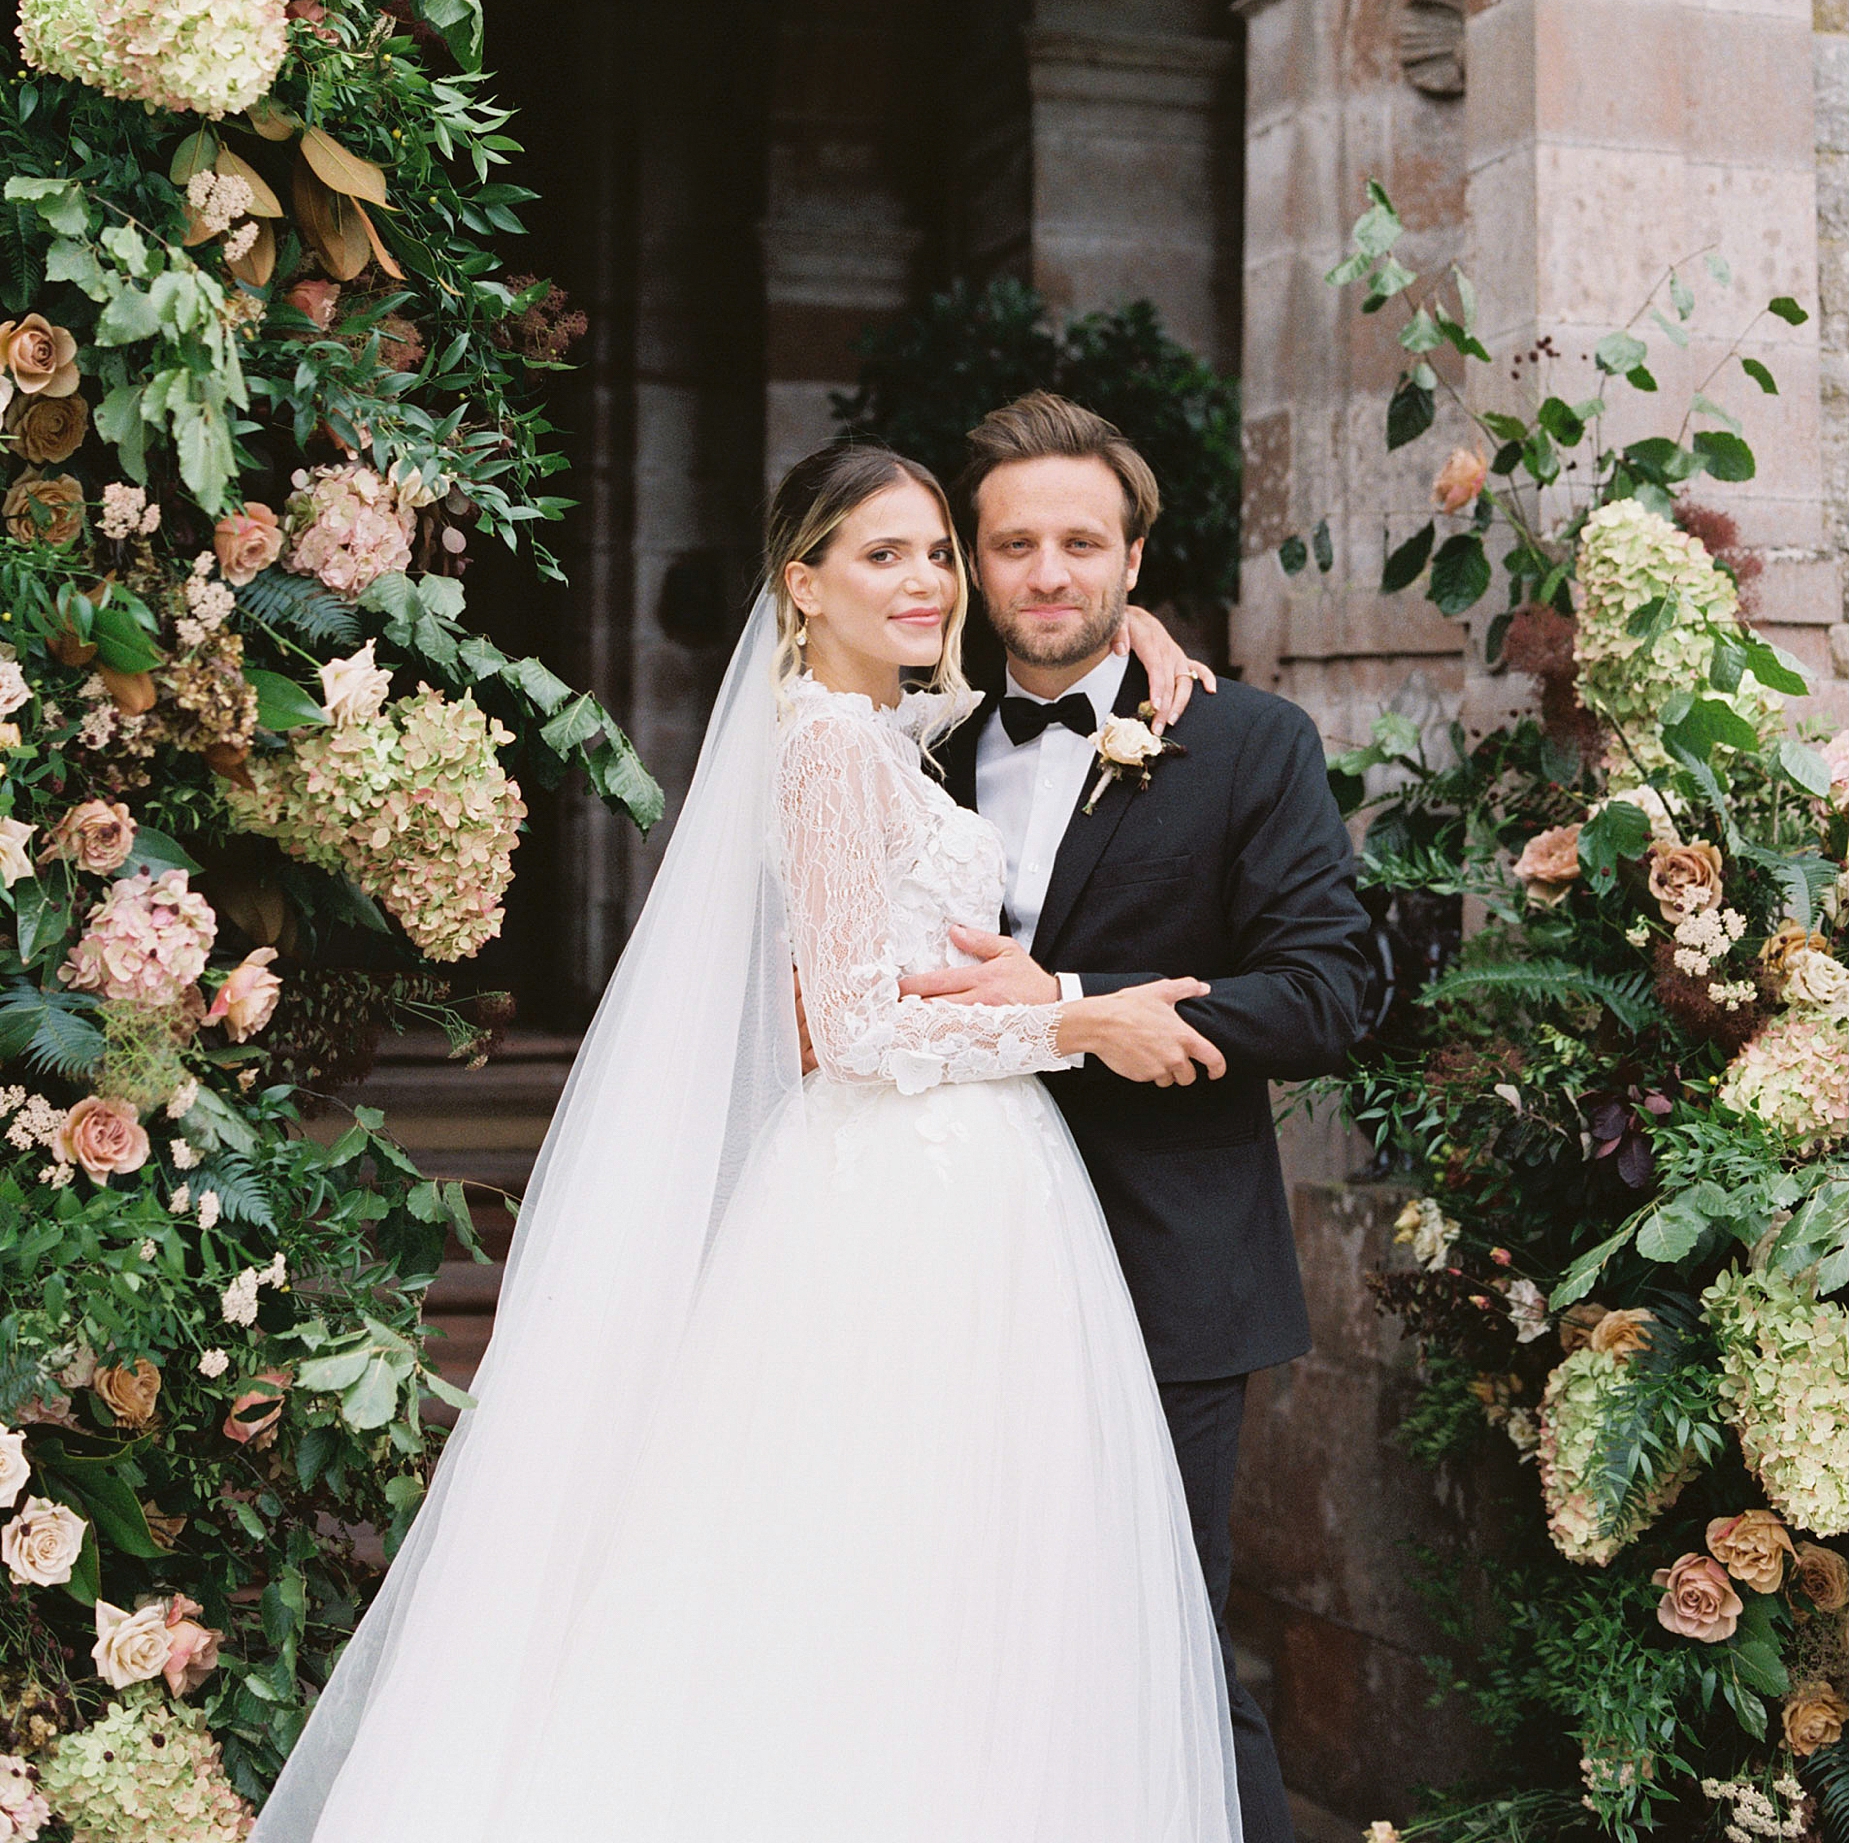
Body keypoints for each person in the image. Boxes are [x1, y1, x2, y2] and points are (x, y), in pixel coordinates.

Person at [255, 439, 1247, 1843]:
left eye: (934, 554)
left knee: (956, 1574)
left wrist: (1129, 625)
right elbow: (850, 1025)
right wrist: (1086, 1025)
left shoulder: (893, 731)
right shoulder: (828, 746)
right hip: (895, 1195)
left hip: (974, 1189)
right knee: (878, 1561)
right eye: (880, 555)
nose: (926, 581)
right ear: (802, 582)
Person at [907, 391, 1374, 1843]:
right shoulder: (910, 753)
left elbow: (1331, 990)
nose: (1048, 574)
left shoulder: (1245, 743)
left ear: (1132, 557)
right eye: (1014, 544)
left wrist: (1081, 998)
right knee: (966, 1632)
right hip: (945, 1257)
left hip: (1162, 1262)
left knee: (1160, 1626)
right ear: (973, 567)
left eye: (1080, 542)